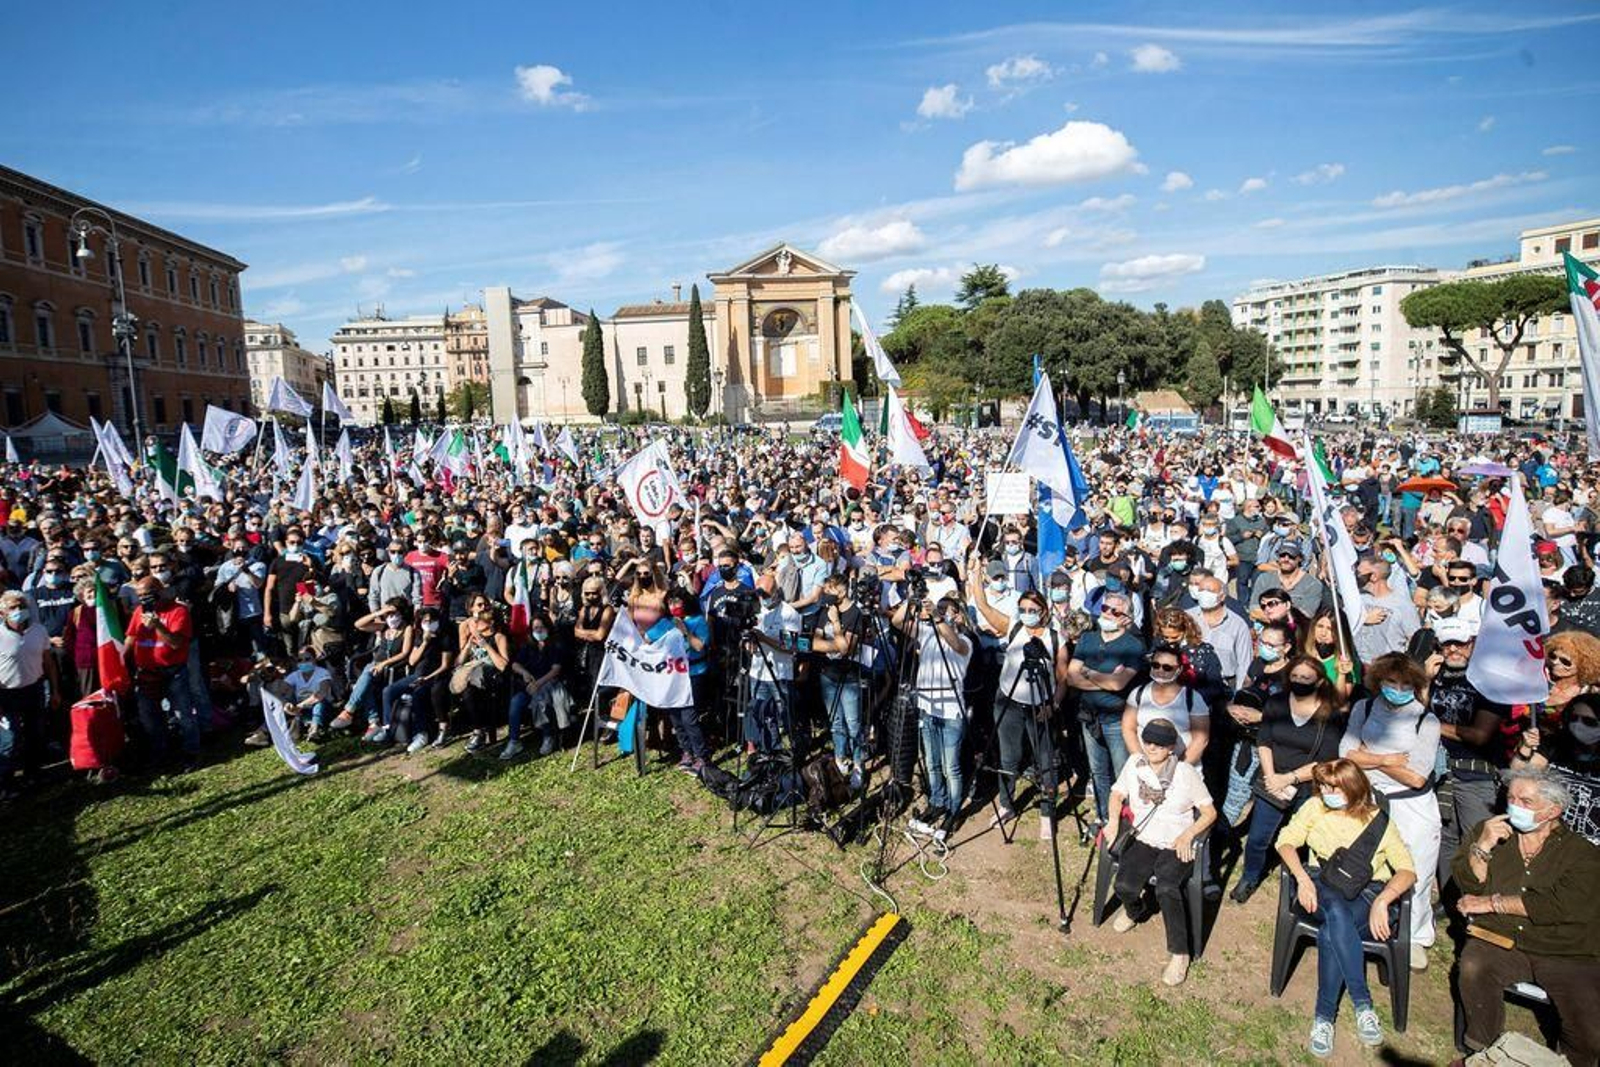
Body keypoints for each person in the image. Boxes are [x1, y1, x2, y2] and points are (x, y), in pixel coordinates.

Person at [1451, 769, 1600, 1066]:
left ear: (1553, 811)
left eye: (1525, 801)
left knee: (1587, 1020)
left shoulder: (1582, 853)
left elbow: (1559, 905)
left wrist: (1492, 903)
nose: (1514, 806)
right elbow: (1468, 887)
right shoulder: (1490, 830)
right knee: (1474, 966)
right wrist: (1482, 846)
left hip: (1564, 949)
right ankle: (1482, 1052)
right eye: (1511, 798)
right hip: (1501, 937)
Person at [1276, 759, 1417, 1059]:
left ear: (1354, 788)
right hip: (1320, 885)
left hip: (1365, 894)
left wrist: (1383, 899)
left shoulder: (1378, 820)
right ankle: (1362, 1004)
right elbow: (1285, 842)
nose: (1326, 793)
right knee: (1335, 911)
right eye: (1324, 787)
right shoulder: (1315, 808)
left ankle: (1323, 1018)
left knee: (1332, 931)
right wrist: (1302, 878)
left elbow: (1407, 870)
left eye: (1334, 788)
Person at [1338, 652, 1441, 971]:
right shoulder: (1364, 707)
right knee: (1365, 865)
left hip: (1411, 804)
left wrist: (1367, 756)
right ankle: (1362, 922)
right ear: (1379, 680)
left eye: (1405, 684)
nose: (1397, 689)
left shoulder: (1426, 720)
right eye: (1391, 682)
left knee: (1416, 869)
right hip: (1368, 798)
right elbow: (1345, 752)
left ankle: (1415, 936)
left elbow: (1417, 776)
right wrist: (1387, 759)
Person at [1105, 718, 1217, 987]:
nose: (1152, 747)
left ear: (1171, 748)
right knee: (1123, 886)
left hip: (1176, 842)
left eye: (1159, 743)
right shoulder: (1135, 763)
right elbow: (1116, 794)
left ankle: (1180, 953)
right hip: (1144, 837)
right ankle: (1135, 910)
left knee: (1167, 889)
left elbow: (1210, 812)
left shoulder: (1185, 773)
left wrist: (1188, 835)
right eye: (1148, 741)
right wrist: (1112, 822)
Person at [1230, 655, 1345, 903]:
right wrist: (1271, 776)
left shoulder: (1330, 713)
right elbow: (1264, 741)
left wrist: (1289, 778)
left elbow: (1326, 760)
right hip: (1273, 782)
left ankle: (1297, 882)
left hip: (1308, 786)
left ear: (1319, 681)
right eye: (1295, 676)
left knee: (1301, 840)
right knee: (1258, 838)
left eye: (1306, 677)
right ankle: (1250, 877)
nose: (1299, 681)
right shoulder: (1277, 703)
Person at [977, 583, 1071, 838]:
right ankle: (1006, 805)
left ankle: (1047, 813)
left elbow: (1063, 678)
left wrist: (1053, 705)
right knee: (1009, 758)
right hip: (1008, 702)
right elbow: (983, 606)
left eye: (1032, 610)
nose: (1027, 614)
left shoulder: (1055, 639)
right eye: (1023, 609)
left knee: (1046, 761)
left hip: (1040, 707)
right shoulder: (1014, 627)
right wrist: (974, 572)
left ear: (1043, 611)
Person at [1424, 617, 1510, 893]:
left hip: (1475, 773)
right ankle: (1451, 898)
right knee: (1445, 837)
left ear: (1472, 644)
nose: (1453, 650)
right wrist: (1424, 681)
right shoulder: (1433, 676)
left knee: (1477, 837)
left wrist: (1432, 724)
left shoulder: (1488, 680)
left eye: (1460, 643)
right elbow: (1414, 714)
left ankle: (1478, 896)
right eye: (1447, 644)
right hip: (1439, 770)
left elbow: (1479, 735)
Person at [894, 594, 972, 842]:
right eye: (939, 608)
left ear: (958, 615)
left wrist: (938, 618)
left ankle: (953, 809)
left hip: (951, 711)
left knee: (951, 767)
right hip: (928, 708)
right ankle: (937, 801)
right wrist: (911, 598)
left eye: (948, 610)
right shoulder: (926, 633)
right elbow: (897, 622)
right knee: (932, 763)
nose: (942, 612)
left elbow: (955, 644)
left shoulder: (966, 640)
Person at [1068, 591, 1146, 825]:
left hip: (1117, 720)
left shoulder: (1134, 646)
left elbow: (1118, 684)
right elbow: (1071, 677)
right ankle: (1103, 818)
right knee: (1098, 772)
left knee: (1123, 773)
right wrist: (1106, 679)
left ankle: (1123, 822)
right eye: (1105, 608)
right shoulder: (1087, 639)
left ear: (1127, 618)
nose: (1108, 614)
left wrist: (1089, 672)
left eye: (1115, 611)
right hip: (1089, 717)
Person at [125, 576, 195, 768]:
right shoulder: (139, 612)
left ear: (160, 591)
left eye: (148, 594)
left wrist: (158, 626)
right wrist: (121, 661)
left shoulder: (178, 611)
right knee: (150, 717)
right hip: (146, 673)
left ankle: (190, 752)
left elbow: (176, 643)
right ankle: (160, 755)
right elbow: (131, 638)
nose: (144, 599)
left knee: (183, 715)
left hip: (173, 671)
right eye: (140, 596)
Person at [0, 589, 60, 793]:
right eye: (13, 607)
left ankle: (33, 775)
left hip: (34, 690)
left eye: (21, 606)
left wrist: (55, 690)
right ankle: (5, 784)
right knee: (10, 739)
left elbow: (48, 662)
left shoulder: (38, 631)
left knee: (35, 735)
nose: (18, 610)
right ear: (2, 613)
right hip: (7, 694)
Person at [646, 587, 711, 774]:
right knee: (675, 716)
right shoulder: (666, 623)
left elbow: (699, 646)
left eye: (677, 602)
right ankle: (686, 751)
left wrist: (685, 631)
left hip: (694, 673)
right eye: (670, 602)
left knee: (689, 717)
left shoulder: (698, 621)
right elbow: (647, 639)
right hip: (673, 676)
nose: (673, 606)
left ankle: (702, 755)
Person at [1121, 643, 1210, 766]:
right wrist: (1141, 762)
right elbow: (1128, 729)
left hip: (1182, 768)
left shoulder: (1193, 698)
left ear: (1179, 669)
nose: (1160, 671)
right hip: (1143, 767)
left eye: (1167, 668)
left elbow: (1201, 739)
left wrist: (1178, 769)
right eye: (1155, 665)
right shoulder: (1138, 693)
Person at [503, 611, 567, 759]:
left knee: (541, 700)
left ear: (548, 627)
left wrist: (538, 684)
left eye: (541, 627)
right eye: (535, 628)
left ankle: (548, 736)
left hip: (549, 684)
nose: (538, 631)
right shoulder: (528, 645)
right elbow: (515, 664)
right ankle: (514, 741)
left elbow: (556, 670)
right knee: (516, 702)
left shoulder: (556, 645)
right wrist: (524, 672)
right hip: (530, 685)